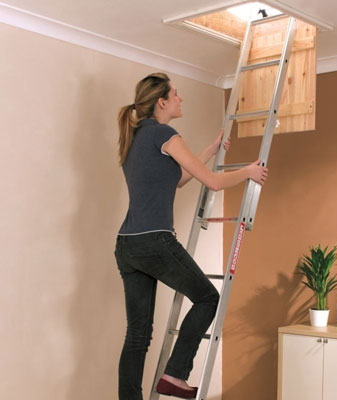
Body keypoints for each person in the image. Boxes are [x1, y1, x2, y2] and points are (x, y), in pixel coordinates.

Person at [114, 72, 268, 400]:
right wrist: (247, 172)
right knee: (208, 297)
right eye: (176, 94)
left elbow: (177, 179)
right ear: (162, 101)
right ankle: (176, 374)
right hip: (155, 241)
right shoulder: (165, 133)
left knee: (137, 335)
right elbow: (211, 182)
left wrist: (209, 150)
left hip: (128, 244)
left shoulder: (136, 136)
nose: (181, 99)